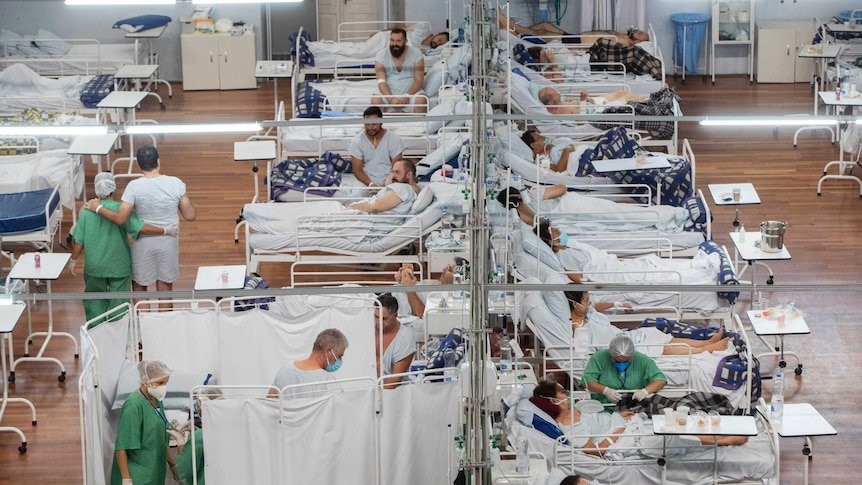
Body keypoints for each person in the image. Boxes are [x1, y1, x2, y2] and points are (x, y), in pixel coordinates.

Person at [86, 145, 196, 304]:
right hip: (169, 242)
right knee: (165, 287)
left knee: (139, 286)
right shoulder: (176, 183)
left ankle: (144, 326)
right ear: (158, 162)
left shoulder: (134, 186)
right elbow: (190, 215)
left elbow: (120, 219)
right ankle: (164, 325)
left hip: (143, 244)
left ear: (139, 165)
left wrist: (98, 207)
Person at [69, 172, 176, 324]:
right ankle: (117, 338)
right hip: (118, 265)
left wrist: (73, 260)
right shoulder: (121, 211)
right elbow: (140, 228)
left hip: (94, 267)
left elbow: (79, 241)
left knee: (94, 303)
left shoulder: (86, 211)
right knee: (119, 306)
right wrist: (165, 230)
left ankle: (96, 338)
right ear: (114, 188)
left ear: (95, 188)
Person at [532, 380, 748, 454]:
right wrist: (619, 429)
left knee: (673, 414)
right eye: (562, 392)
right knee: (669, 438)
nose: (566, 394)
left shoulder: (576, 408)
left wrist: (619, 417)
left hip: (627, 421)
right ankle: (726, 440)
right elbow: (595, 451)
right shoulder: (568, 425)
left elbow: (602, 419)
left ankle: (720, 423)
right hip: (623, 438)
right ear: (553, 401)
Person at [564, 289, 729, 356]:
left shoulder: (588, 311)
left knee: (662, 336)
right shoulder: (577, 327)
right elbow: (585, 353)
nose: (589, 303)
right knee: (660, 347)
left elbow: (596, 307)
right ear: (574, 304)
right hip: (622, 348)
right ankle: (707, 350)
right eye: (585, 301)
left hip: (626, 336)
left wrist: (616, 304)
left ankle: (706, 341)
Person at [111, 360, 179, 485]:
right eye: (160, 383)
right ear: (145, 379)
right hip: (136, 476)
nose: (163, 387)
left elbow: (161, 441)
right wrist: (126, 479)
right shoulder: (133, 405)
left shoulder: (157, 401)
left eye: (165, 383)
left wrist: (174, 466)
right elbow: (121, 446)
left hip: (154, 474)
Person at [581, 334, 667, 406]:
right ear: (610, 354)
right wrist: (605, 390)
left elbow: (660, 380)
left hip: (634, 405)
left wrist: (644, 391)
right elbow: (586, 381)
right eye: (617, 361)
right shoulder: (599, 358)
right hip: (605, 406)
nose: (621, 364)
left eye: (626, 361)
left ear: (632, 355)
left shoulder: (642, 360)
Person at [498, 8, 649, 46]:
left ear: (638, 43)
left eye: (641, 34)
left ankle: (508, 24)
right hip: (576, 35)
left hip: (576, 42)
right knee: (544, 25)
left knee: (543, 32)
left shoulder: (624, 43)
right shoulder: (624, 36)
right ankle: (515, 30)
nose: (639, 31)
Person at [270, 328, 349, 399]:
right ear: (328, 352)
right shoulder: (329, 383)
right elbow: (337, 413)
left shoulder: (284, 371)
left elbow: (269, 403)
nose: (340, 360)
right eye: (339, 356)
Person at [168, 388, 224, 485]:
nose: (196, 408)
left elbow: (185, 470)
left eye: (197, 405)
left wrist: (180, 441)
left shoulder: (199, 437)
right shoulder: (234, 431)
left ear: (203, 406)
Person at [371, 28, 427, 113]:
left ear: (405, 41)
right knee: (375, 100)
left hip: (411, 93)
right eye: (392, 40)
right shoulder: (381, 55)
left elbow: (419, 81)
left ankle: (418, 126)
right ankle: (381, 125)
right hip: (389, 93)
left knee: (421, 100)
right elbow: (381, 81)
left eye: (398, 41)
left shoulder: (416, 53)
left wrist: (407, 96)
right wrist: (390, 99)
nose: (394, 44)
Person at [349, 106, 405, 187]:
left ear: (381, 122)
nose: (370, 127)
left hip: (390, 177)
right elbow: (357, 170)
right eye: (367, 124)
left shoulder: (393, 139)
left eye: (374, 124)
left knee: (391, 195)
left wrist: (386, 185)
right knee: (356, 195)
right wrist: (370, 184)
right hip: (366, 178)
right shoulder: (357, 141)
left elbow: (397, 168)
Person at [393, 257, 469, 317]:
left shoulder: (445, 297)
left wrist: (409, 289)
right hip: (394, 292)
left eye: (449, 269)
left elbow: (423, 315)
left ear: (459, 278)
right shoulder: (438, 283)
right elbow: (415, 287)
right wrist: (405, 278)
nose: (443, 269)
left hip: (393, 305)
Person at [346, 159, 419, 214]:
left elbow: (375, 207)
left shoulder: (402, 188)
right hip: (363, 212)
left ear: (409, 175)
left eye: (397, 172)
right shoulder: (413, 188)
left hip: (363, 217)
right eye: (393, 172)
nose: (393, 175)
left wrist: (352, 207)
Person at [374, 294, 416, 389]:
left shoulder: (405, 339)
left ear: (395, 315)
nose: (379, 322)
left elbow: (396, 379)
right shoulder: (367, 328)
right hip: (368, 385)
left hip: (394, 392)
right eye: (376, 316)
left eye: (384, 319)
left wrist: (377, 398)